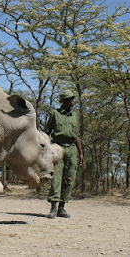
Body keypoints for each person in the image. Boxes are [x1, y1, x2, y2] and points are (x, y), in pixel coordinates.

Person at [45, 89, 85, 219]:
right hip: (58, 147)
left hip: (72, 148)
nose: (74, 101)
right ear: (65, 100)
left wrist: (81, 154)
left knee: (69, 178)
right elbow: (47, 132)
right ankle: (53, 208)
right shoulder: (54, 114)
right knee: (56, 178)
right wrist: (47, 150)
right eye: (71, 99)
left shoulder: (74, 115)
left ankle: (62, 208)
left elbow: (76, 136)